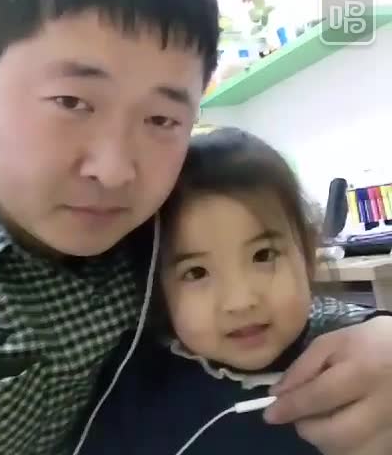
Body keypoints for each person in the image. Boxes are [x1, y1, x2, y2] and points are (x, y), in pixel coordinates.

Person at [0, 0, 392, 454]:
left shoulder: (151, 225)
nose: (114, 171)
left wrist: (378, 333)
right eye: (71, 102)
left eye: (162, 119)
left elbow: (279, 299)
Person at [66, 127, 387, 455]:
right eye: (196, 272)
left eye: (263, 256)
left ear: (305, 253)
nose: (240, 301)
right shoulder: (133, 393)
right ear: (155, 288)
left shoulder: (357, 364)